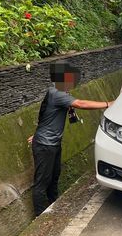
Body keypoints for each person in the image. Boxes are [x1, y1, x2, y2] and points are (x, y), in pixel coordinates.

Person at [27, 62, 114, 216]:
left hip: (51, 143)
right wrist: (108, 104)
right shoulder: (56, 93)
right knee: (42, 182)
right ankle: (40, 216)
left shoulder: (60, 93)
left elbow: (44, 114)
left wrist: (37, 132)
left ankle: (54, 207)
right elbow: (81, 103)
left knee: (54, 178)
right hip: (45, 145)